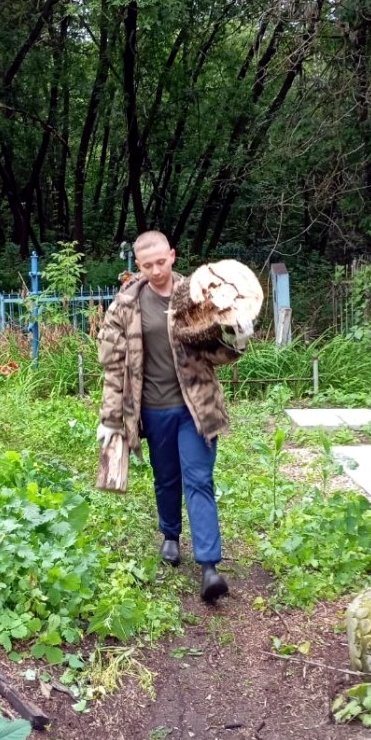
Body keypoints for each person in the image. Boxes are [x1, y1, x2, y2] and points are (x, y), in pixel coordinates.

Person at [96, 230, 252, 603]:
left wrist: (237, 338)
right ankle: (170, 535)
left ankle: (209, 567)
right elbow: (113, 364)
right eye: (147, 265)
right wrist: (110, 417)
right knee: (166, 478)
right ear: (138, 265)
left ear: (172, 256)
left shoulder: (197, 295)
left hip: (195, 407)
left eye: (160, 262)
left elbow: (216, 351)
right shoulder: (125, 304)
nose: (155, 270)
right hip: (151, 409)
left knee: (198, 479)